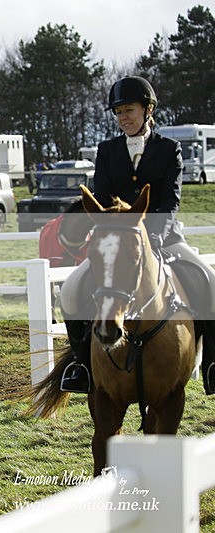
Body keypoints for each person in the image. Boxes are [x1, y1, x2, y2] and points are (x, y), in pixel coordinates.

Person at [58, 75, 215, 394]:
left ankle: (212, 362)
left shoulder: (169, 149)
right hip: (116, 241)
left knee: (209, 281)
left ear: (148, 109)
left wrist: (153, 238)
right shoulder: (107, 151)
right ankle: (81, 365)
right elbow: (101, 196)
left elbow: (170, 201)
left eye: (128, 110)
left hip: (164, 239)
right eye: (118, 113)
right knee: (72, 289)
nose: (123, 118)